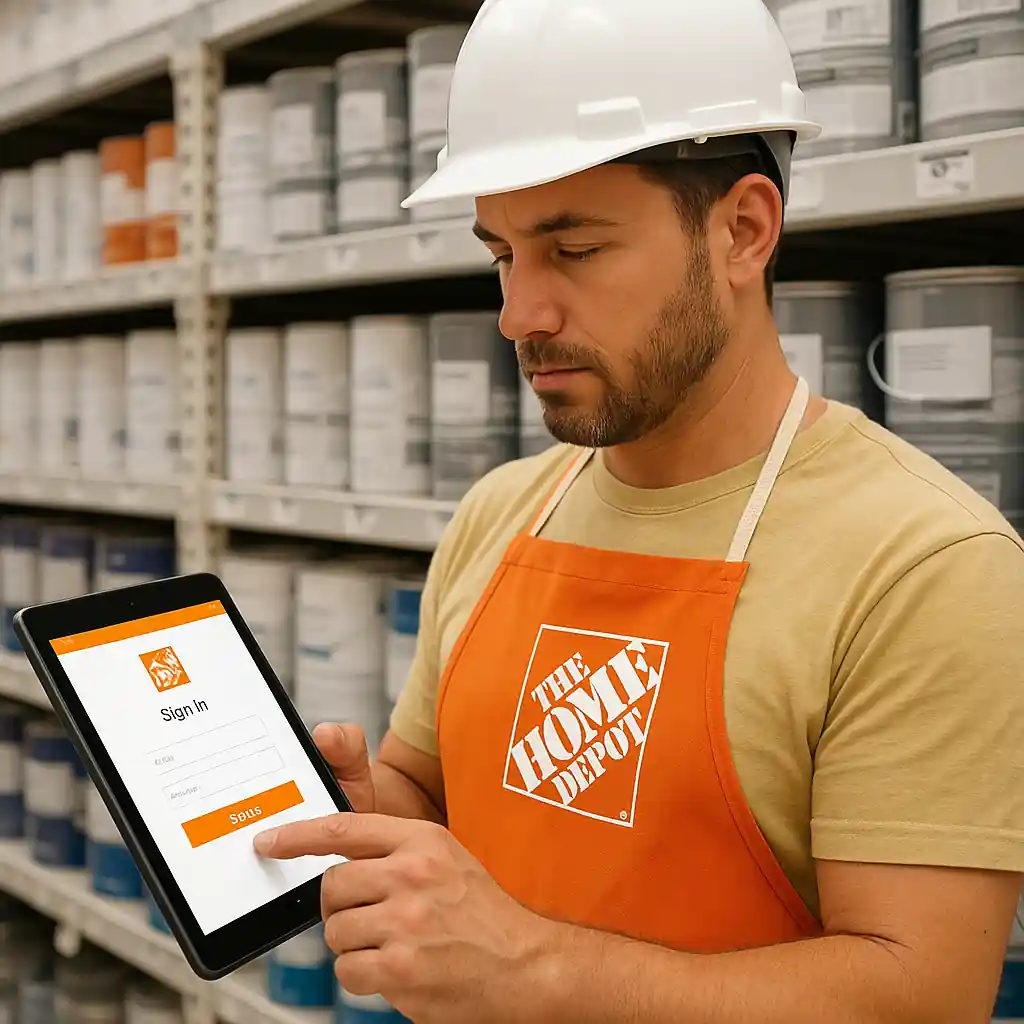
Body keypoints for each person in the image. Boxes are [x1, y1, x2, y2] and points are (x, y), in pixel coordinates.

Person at [254, 1, 1024, 1020]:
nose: (517, 314)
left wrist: (534, 967)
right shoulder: (501, 512)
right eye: (502, 254)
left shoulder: (924, 563)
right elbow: (433, 798)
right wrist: (364, 812)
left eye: (573, 250)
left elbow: (917, 995)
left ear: (743, 231)